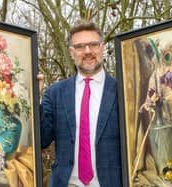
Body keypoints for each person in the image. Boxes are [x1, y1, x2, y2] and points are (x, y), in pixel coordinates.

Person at [39, 20, 122, 187]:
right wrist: (34, 98)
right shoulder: (54, 93)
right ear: (71, 52)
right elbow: (42, 139)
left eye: (93, 44)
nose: (88, 51)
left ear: (103, 47)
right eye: (80, 46)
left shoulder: (123, 92)